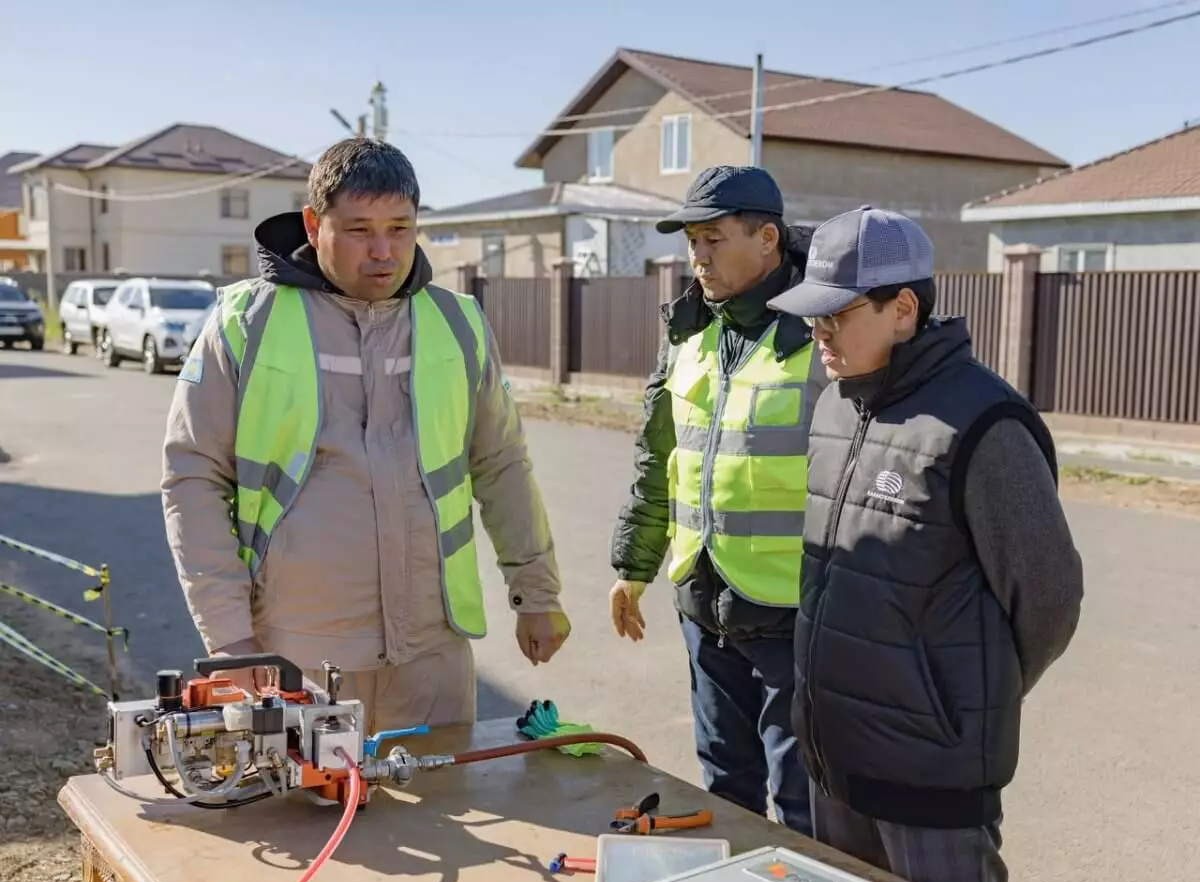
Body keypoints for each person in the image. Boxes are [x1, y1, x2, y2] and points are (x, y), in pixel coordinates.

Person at [161, 137, 570, 733]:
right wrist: (229, 639)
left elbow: (502, 463)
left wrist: (536, 593)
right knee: (310, 818)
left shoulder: (458, 323)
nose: (383, 252)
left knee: (441, 813)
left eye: (400, 228)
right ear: (312, 223)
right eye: (358, 231)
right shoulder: (246, 324)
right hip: (296, 649)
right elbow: (193, 476)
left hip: (432, 649)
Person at [768, 205, 1084, 882]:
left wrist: (954, 696)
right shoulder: (834, 407)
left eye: (836, 315)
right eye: (811, 315)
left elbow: (1050, 600)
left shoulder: (982, 424)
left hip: (930, 780)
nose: (817, 332)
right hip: (835, 762)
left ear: (903, 308)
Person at [608, 165, 828, 836]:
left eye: (712, 239)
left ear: (767, 239)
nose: (697, 256)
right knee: (725, 792)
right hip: (703, 603)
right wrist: (633, 567)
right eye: (691, 242)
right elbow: (660, 458)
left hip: (792, 613)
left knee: (802, 806)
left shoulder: (823, 334)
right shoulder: (688, 330)